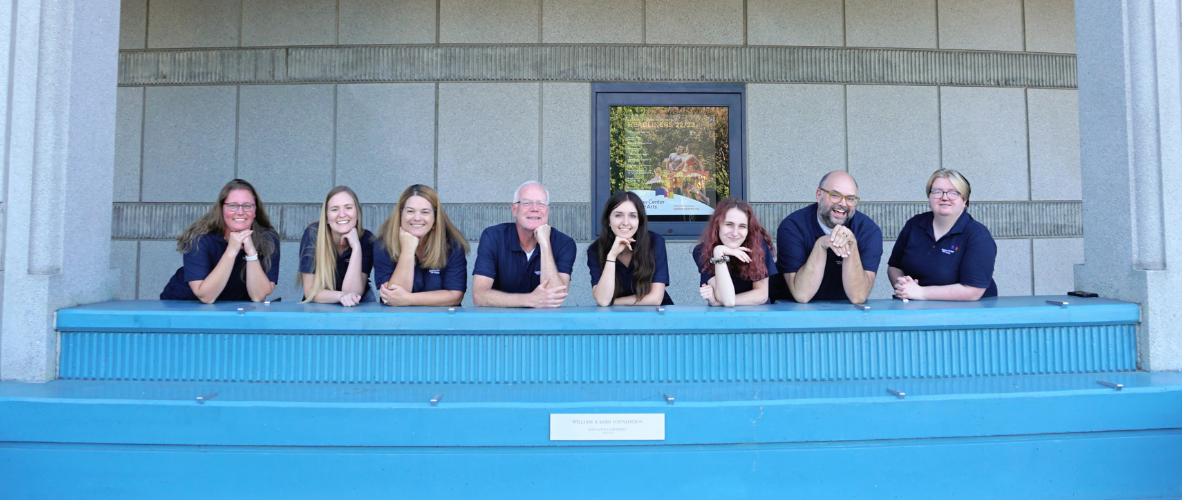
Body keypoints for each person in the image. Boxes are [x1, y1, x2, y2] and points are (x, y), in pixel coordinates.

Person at [160, 179, 280, 303]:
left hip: (232, 309)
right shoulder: (199, 237)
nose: (240, 212)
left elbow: (258, 296)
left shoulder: (268, 239)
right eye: (232, 206)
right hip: (182, 306)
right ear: (221, 209)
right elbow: (206, 296)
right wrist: (231, 251)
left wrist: (251, 253)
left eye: (247, 206)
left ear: (255, 211)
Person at [888, 169, 997, 300]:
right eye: (937, 191)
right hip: (916, 309)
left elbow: (973, 291)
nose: (944, 197)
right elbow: (895, 266)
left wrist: (921, 293)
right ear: (929, 196)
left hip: (968, 313)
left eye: (953, 192)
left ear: (965, 200)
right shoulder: (914, 225)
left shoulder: (977, 235)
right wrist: (903, 286)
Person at [775, 171, 882, 304]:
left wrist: (852, 246)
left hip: (847, 312)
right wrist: (820, 245)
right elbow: (802, 295)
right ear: (819, 195)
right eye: (835, 195)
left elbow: (858, 297)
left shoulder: (868, 230)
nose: (843, 204)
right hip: (793, 312)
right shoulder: (793, 227)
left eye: (850, 198)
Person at [472, 181, 577, 308]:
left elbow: (555, 297)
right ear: (514, 209)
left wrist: (545, 245)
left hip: (544, 323)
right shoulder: (493, 237)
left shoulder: (564, 243)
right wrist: (530, 300)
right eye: (527, 203)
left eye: (541, 203)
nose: (534, 208)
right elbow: (479, 296)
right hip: (500, 322)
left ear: (548, 210)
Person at [372, 184, 469, 307]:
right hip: (398, 322)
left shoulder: (452, 245)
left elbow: (455, 297)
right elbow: (393, 296)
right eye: (410, 211)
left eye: (425, 212)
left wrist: (409, 299)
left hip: (441, 322)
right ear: (401, 214)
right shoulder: (383, 245)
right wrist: (407, 250)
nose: (417, 218)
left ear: (435, 217)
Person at [588, 190, 673, 306]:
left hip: (656, 317)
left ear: (639, 221)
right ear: (608, 220)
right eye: (618, 215)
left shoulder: (655, 242)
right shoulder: (595, 250)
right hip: (616, 319)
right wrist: (612, 256)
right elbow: (603, 300)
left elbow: (655, 298)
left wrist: (613, 302)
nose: (625, 222)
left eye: (632, 216)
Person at [298, 186, 375, 306]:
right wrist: (340, 296)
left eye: (348, 208)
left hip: (359, 304)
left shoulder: (367, 239)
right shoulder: (313, 235)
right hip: (321, 301)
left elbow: (353, 294)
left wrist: (356, 248)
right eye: (334, 209)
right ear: (327, 218)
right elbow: (310, 291)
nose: (342, 214)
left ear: (357, 213)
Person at [693, 198, 777, 306]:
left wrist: (718, 303)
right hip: (723, 317)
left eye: (742, 226)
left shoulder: (757, 245)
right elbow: (727, 300)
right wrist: (719, 252)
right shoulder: (702, 251)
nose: (735, 233)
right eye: (729, 224)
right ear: (718, 225)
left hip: (756, 314)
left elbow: (761, 295)